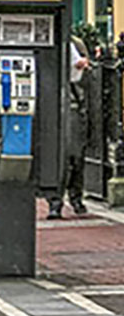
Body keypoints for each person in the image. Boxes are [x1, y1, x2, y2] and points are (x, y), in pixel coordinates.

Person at [47, 37, 91, 219]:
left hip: (72, 104)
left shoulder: (75, 43)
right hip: (53, 103)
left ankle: (74, 197)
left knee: (74, 156)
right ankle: (55, 201)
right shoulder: (52, 41)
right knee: (57, 156)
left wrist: (82, 65)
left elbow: (85, 70)